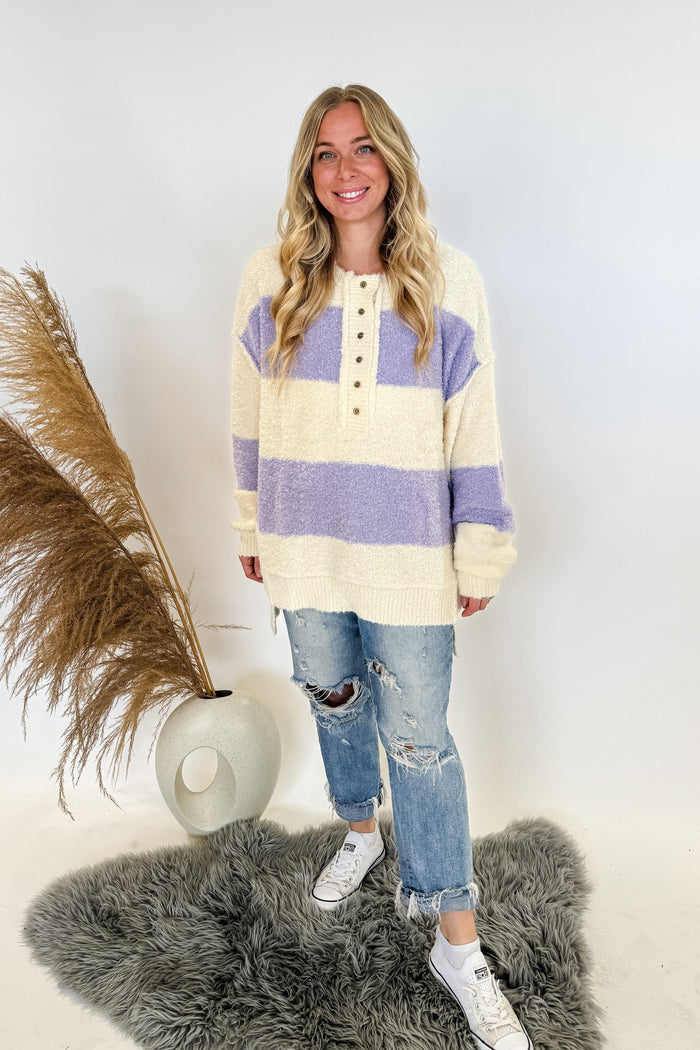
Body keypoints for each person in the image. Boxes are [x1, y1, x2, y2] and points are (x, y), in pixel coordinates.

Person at [231, 84, 530, 1050]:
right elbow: (247, 420)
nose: (346, 170)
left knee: (423, 744)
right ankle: (360, 830)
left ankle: (455, 937)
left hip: (410, 556)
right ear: (306, 173)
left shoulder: (451, 282)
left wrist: (478, 537)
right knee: (331, 694)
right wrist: (251, 521)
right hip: (306, 543)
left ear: (393, 161)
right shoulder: (267, 281)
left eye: (363, 149)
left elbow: (474, 423)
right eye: (325, 153)